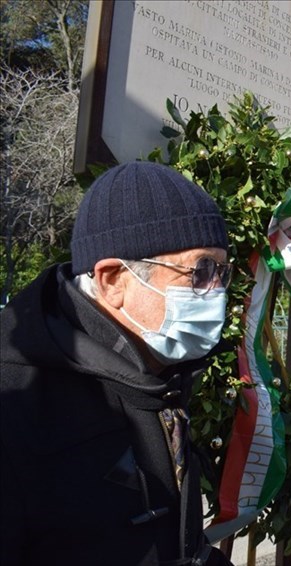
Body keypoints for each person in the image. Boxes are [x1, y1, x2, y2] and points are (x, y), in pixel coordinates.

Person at [0, 162, 235, 565]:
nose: (216, 292)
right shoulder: (14, 405)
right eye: (199, 271)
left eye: (222, 272)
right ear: (112, 281)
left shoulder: (160, 371)